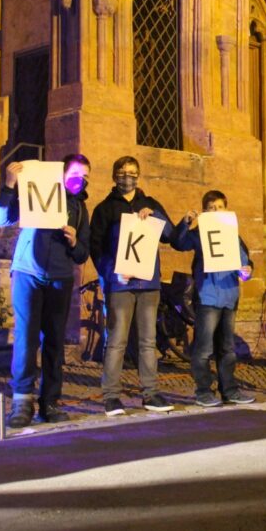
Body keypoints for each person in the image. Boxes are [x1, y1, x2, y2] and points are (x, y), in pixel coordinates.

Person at [0, 156, 92, 427]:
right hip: (27, 273)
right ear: (62, 172)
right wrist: (9, 185)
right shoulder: (33, 189)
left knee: (54, 341)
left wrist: (73, 242)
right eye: (74, 173)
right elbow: (2, 218)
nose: (79, 179)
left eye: (85, 176)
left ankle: (50, 402)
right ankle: (22, 401)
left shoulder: (80, 207)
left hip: (60, 278)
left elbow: (83, 253)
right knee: (26, 338)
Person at [89, 156, 176, 415]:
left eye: (132, 172)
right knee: (116, 341)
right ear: (114, 175)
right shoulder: (104, 209)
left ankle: (151, 393)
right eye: (123, 172)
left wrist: (156, 216)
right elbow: (96, 249)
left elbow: (170, 235)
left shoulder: (150, 204)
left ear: (139, 175)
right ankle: (111, 396)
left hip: (149, 284)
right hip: (120, 286)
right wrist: (112, 274)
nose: (128, 176)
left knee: (148, 342)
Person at [171, 190, 256, 407]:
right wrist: (185, 223)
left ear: (226, 209)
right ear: (205, 212)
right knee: (204, 349)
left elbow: (246, 262)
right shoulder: (199, 233)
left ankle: (229, 390)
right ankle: (203, 392)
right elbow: (178, 243)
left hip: (229, 296)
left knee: (227, 349)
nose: (216, 211)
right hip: (208, 295)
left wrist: (248, 270)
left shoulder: (234, 235)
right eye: (211, 208)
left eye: (219, 207)